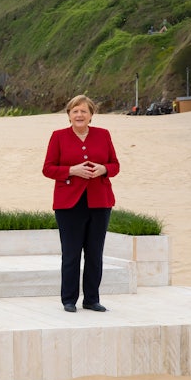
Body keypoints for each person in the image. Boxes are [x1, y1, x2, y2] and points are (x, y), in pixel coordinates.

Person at [42, 95, 119, 313]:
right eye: (75, 111)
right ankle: (69, 299)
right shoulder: (58, 136)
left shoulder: (103, 135)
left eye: (84, 111)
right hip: (68, 204)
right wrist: (71, 170)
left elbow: (115, 165)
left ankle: (92, 299)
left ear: (91, 115)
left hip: (100, 201)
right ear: (69, 115)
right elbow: (48, 168)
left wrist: (104, 169)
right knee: (71, 253)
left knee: (95, 253)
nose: (79, 115)